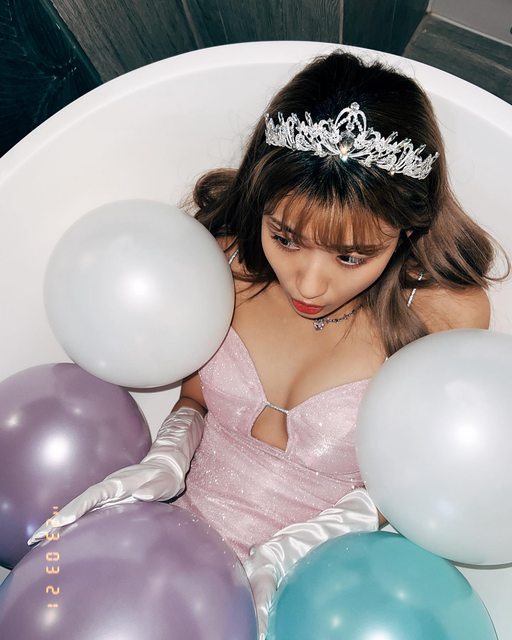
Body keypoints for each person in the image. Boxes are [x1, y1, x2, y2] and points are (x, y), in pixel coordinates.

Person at [28, 50, 507, 637]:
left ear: (406, 230)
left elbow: (425, 478)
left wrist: (296, 549)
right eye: (286, 237)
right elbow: (196, 398)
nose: (309, 283)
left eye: (350, 256)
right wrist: (164, 460)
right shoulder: (222, 264)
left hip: (320, 602)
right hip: (160, 556)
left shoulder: (442, 317)